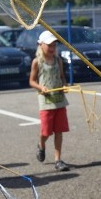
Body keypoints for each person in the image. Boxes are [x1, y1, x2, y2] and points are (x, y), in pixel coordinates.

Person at [29, 30, 70, 172]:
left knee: (59, 131)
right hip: (45, 101)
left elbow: (62, 77)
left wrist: (65, 85)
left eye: (54, 45)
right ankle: (41, 144)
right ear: (41, 45)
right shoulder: (37, 62)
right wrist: (41, 87)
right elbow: (32, 81)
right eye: (49, 46)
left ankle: (58, 160)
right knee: (46, 131)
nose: (52, 49)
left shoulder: (58, 61)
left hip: (59, 100)